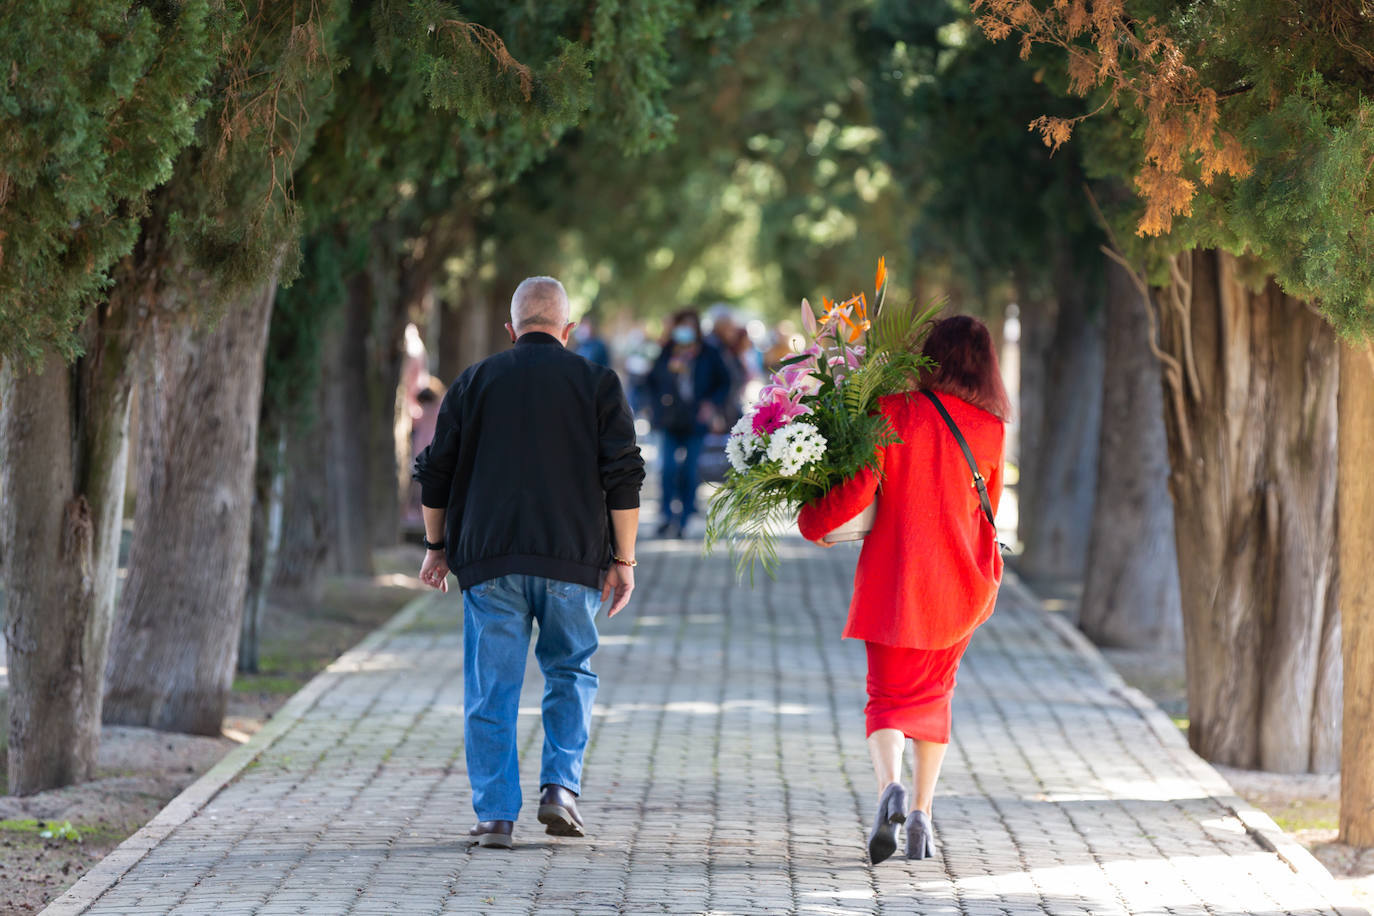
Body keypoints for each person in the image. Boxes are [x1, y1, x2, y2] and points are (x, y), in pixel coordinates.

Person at [411, 276, 645, 850]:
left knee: (491, 688)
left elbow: (434, 471)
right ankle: (560, 790)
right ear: (568, 330)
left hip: (489, 562)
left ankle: (495, 815)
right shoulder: (598, 383)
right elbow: (625, 476)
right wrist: (624, 559)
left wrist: (436, 547)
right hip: (571, 561)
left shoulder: (474, 382)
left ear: (511, 329)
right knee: (571, 671)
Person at [796, 315, 1011, 864]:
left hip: (895, 584)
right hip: (957, 588)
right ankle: (921, 816)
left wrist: (813, 521)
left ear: (930, 358)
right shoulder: (990, 429)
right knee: (935, 698)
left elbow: (858, 489)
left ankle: (888, 786)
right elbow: (988, 510)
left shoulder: (892, 413)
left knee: (886, 699)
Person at [647, 308, 731, 537]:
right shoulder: (667, 351)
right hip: (669, 420)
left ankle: (683, 520)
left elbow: (724, 381)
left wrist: (711, 405)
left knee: (690, 470)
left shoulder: (708, 353)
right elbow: (652, 381)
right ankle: (666, 516)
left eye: (689, 326)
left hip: (695, 421)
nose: (685, 331)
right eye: (681, 326)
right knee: (667, 470)